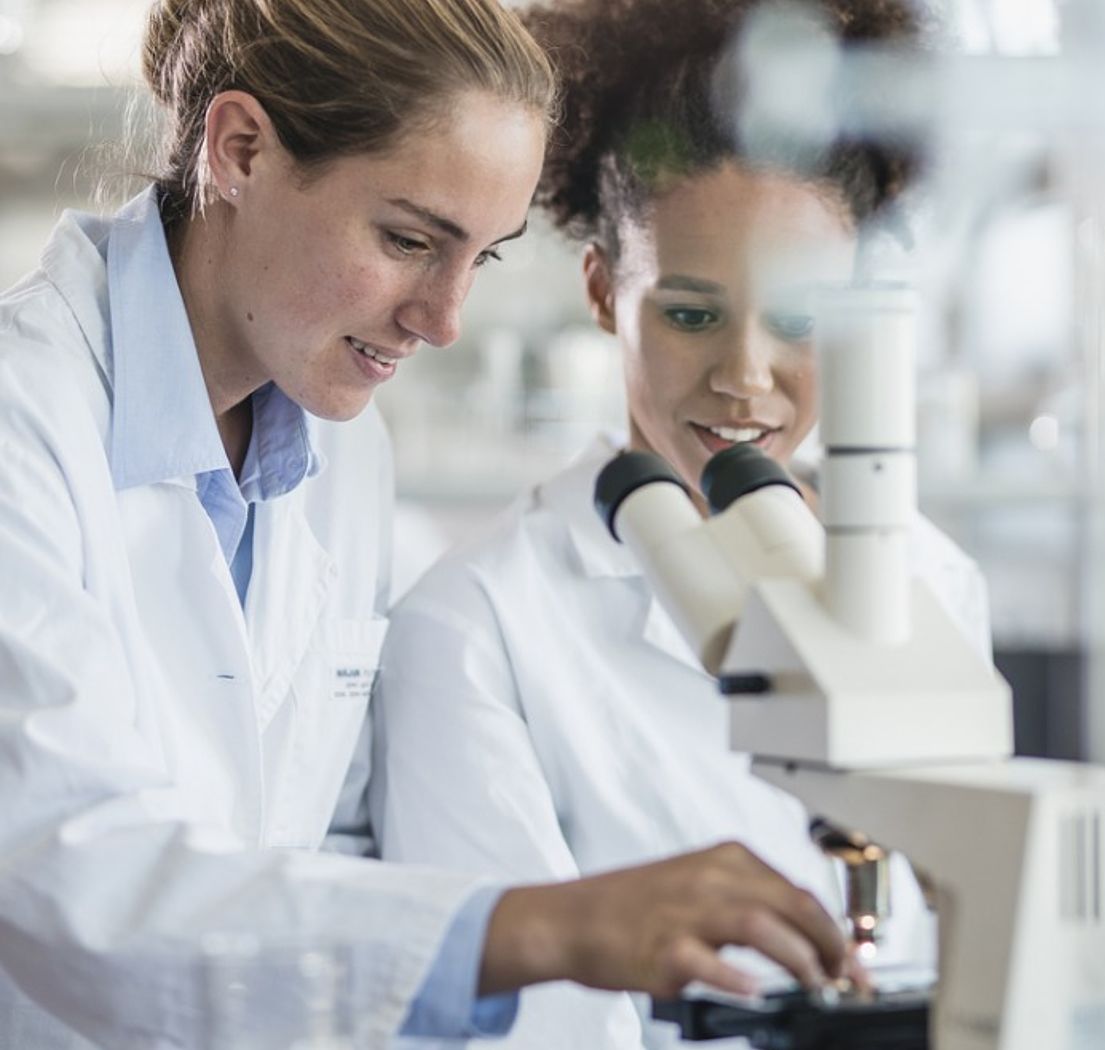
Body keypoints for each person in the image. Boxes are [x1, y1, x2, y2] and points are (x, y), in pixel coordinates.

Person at [0, 2, 857, 1047]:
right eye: (409, 240)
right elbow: (70, 874)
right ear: (239, 151)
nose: (444, 321)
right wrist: (550, 924)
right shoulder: (23, 424)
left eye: (481, 259)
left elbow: (330, 848)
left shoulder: (339, 450)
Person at [370, 0, 992, 1046]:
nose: (746, 375)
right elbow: (520, 1024)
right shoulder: (475, 627)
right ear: (607, 293)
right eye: (693, 314)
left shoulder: (933, 581)